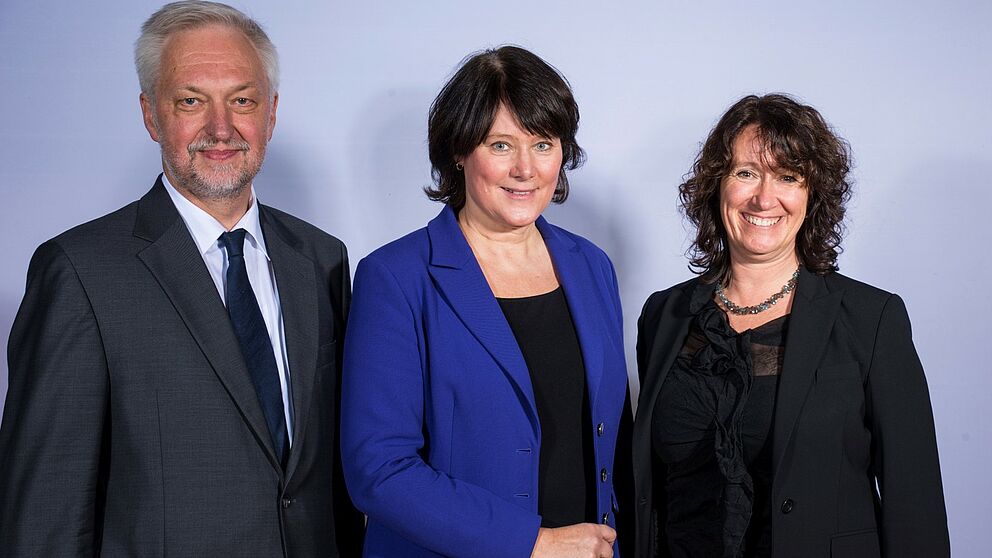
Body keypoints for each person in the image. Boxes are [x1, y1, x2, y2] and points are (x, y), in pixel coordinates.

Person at [0, 2, 363, 555]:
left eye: (242, 101)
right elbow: (44, 516)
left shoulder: (322, 259)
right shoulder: (78, 272)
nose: (221, 128)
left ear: (271, 114)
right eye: (191, 101)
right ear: (151, 114)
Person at [340, 46, 629, 558]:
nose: (525, 169)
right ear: (459, 150)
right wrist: (534, 544)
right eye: (500, 145)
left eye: (543, 144)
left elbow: (612, 441)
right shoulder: (396, 278)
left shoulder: (591, 266)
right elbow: (379, 471)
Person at [631, 94, 949, 557]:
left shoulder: (872, 318)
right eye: (746, 173)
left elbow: (914, 503)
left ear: (812, 194)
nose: (764, 198)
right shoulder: (664, 316)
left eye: (787, 177)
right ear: (716, 185)